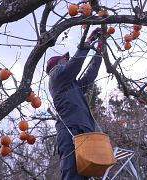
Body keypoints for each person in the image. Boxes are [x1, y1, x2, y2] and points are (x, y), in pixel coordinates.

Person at [46, 28, 103, 180]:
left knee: (84, 174)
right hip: (71, 131)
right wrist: (88, 42)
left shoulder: (72, 86)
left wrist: (99, 50)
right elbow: (74, 66)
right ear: (56, 65)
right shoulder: (56, 77)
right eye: (64, 60)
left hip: (83, 131)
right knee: (72, 173)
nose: (67, 60)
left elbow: (89, 75)